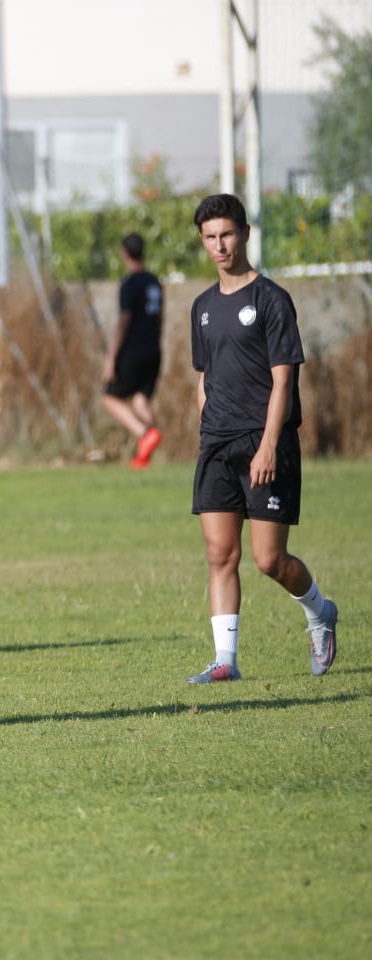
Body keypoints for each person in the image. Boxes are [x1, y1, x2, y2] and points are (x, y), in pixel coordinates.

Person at [185, 193, 339, 684]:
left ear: (245, 233)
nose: (219, 245)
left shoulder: (271, 299)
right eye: (210, 238)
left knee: (269, 559)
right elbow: (204, 376)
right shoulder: (202, 307)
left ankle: (319, 611)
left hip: (264, 441)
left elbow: (284, 380)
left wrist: (270, 444)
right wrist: (205, 422)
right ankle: (225, 661)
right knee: (218, 554)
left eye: (226, 234)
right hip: (217, 445)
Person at [101, 232, 164, 469]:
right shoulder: (153, 282)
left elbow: (123, 321)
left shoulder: (130, 283)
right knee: (139, 399)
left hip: (133, 350)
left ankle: (144, 433)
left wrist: (110, 358)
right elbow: (160, 319)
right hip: (153, 349)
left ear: (124, 253)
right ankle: (145, 451)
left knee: (110, 398)